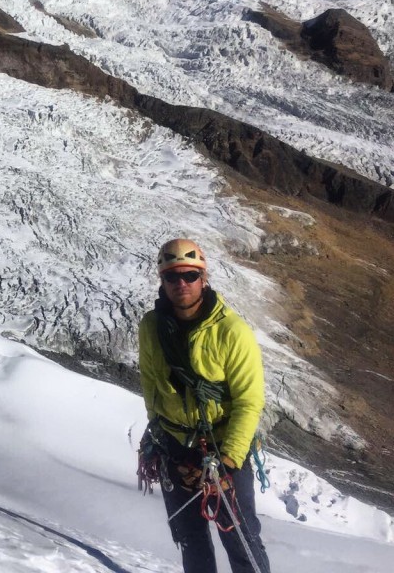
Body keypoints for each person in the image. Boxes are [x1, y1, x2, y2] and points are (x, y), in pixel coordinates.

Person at [138, 239, 271, 573]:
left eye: (190, 275)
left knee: (241, 541)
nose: (181, 283)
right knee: (190, 539)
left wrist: (228, 460)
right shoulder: (151, 328)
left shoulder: (231, 332)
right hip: (174, 446)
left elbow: (248, 401)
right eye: (173, 277)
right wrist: (154, 434)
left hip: (223, 450)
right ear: (162, 280)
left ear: (203, 277)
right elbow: (151, 383)